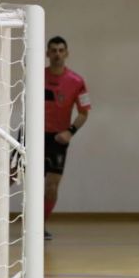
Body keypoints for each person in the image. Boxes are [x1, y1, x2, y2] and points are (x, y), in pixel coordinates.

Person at [44, 35, 91, 240]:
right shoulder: (36, 76)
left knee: (52, 185)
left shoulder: (77, 82)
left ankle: (39, 227)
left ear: (67, 53)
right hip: (32, 136)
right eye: (53, 50)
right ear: (47, 53)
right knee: (7, 177)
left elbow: (84, 113)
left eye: (61, 50)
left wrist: (70, 132)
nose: (57, 54)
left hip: (57, 140)